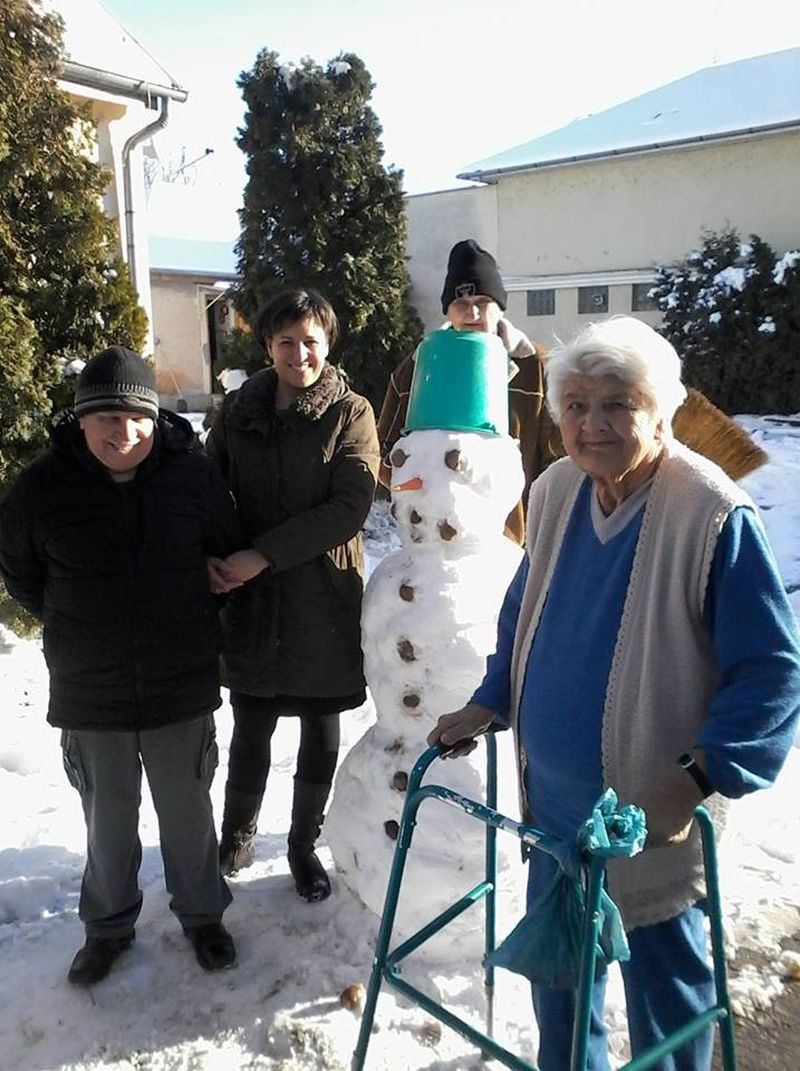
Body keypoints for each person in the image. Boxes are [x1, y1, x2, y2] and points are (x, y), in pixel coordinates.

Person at [428, 316, 800, 1071]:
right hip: (555, 821)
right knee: (561, 998)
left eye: (617, 403)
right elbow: (526, 610)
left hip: (646, 825)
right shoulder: (558, 488)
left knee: (667, 1008)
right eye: (576, 404)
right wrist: (492, 695)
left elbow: (772, 671)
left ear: (660, 411)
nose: (591, 424)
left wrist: (696, 777)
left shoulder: (712, 514)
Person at [0, 347, 243, 986]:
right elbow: (24, 576)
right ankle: (107, 928)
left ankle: (202, 917)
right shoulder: (41, 488)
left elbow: (223, 550)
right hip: (91, 689)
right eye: (103, 415)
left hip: (179, 681)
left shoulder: (191, 477)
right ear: (79, 421)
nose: (121, 430)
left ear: (154, 418)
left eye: (135, 415)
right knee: (106, 821)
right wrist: (76, 620)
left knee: (189, 815)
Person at [206, 287, 379, 903]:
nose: (298, 352)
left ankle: (304, 846)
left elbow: (349, 506)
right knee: (251, 723)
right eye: (286, 341)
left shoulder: (350, 411)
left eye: (311, 340)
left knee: (318, 725)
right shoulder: (237, 413)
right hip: (251, 598)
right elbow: (208, 491)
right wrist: (217, 557)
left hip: (321, 595)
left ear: (327, 344)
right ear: (268, 345)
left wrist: (261, 554)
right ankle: (238, 833)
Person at [377, 239, 561, 544]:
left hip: (513, 542)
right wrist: (421, 486)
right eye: (461, 303)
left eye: (482, 302)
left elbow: (556, 462)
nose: (472, 312)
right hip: (433, 543)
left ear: (499, 308)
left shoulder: (536, 368)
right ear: (448, 310)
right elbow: (382, 452)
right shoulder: (418, 366)